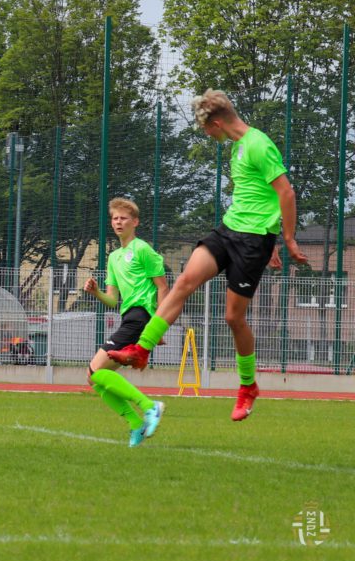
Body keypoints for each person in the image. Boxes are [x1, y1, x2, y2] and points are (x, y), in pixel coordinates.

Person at [109, 90, 309, 421]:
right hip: (229, 230)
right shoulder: (237, 147)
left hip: (253, 242)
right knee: (184, 281)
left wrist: (284, 238)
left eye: (205, 128)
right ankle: (141, 349)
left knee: (233, 318)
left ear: (216, 123)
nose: (205, 133)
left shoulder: (258, 144)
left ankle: (248, 386)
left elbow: (285, 192)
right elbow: (258, 196)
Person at [83, 197, 169, 447]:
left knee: (96, 371)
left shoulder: (143, 249)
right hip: (128, 317)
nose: (118, 222)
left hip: (141, 317)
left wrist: (158, 325)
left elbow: (163, 288)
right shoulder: (113, 257)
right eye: (115, 218)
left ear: (135, 222)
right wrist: (96, 292)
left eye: (123, 218)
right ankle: (135, 424)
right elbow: (112, 300)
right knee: (93, 378)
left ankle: (149, 406)